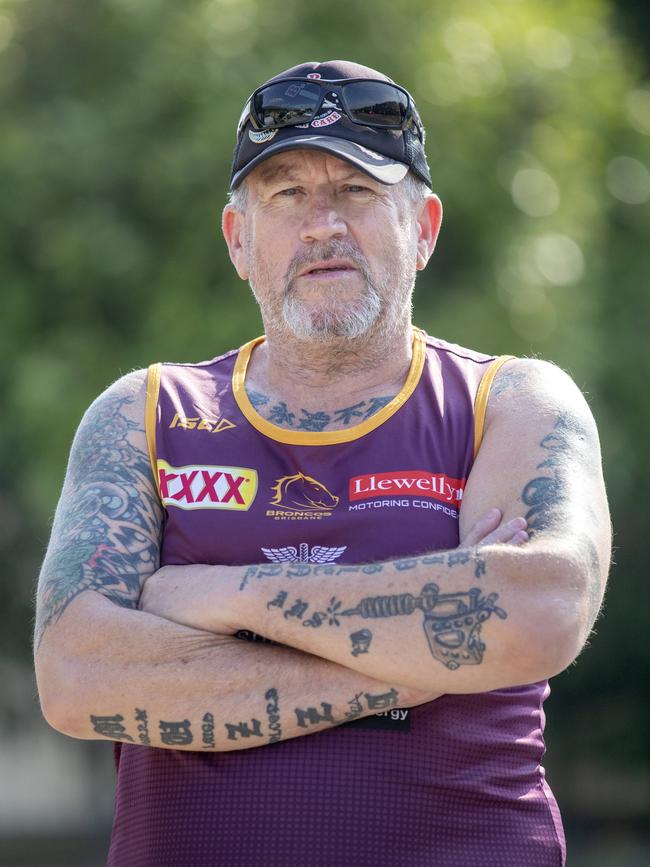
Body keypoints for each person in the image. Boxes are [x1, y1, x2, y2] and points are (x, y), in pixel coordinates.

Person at [34, 60, 610, 867]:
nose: (322, 225)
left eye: (359, 191)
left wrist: (213, 594)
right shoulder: (146, 414)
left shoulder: (510, 402)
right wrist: (410, 668)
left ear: (426, 229)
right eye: (287, 194)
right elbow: (76, 673)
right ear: (238, 239)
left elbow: (542, 605)